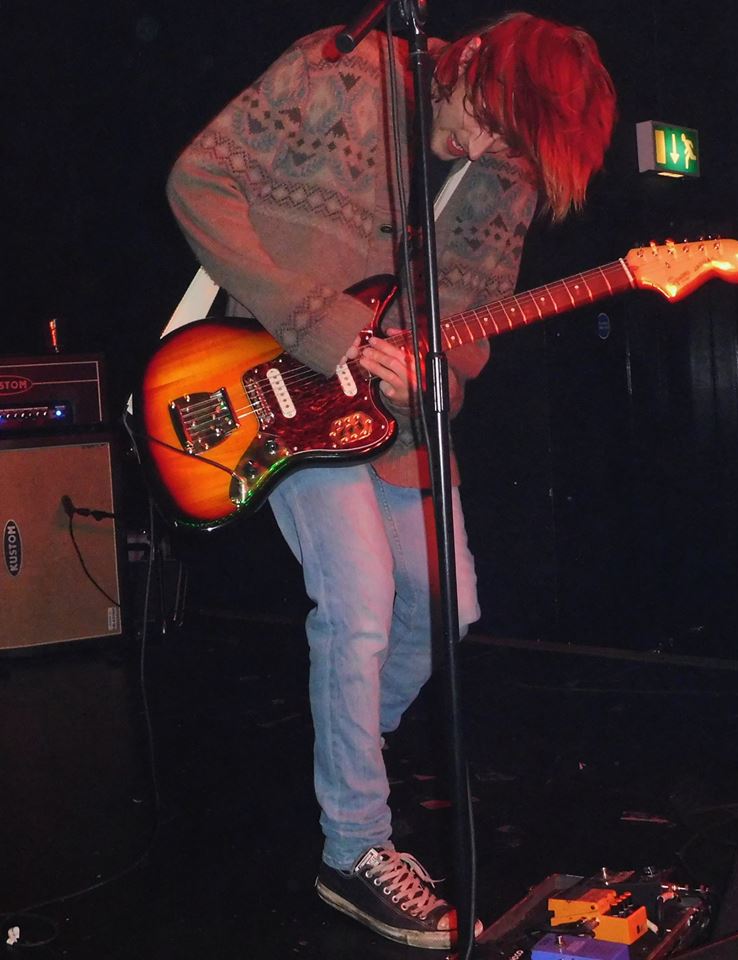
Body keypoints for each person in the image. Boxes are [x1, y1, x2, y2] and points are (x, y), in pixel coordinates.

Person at [166, 11, 616, 949]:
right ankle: (354, 848)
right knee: (361, 605)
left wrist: (438, 375)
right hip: (273, 381)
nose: (483, 148)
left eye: (510, 143)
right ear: (472, 57)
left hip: (398, 421)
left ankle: (346, 757)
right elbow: (197, 182)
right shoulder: (341, 71)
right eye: (485, 117)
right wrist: (316, 320)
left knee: (448, 608)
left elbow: (476, 324)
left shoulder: (511, 170)